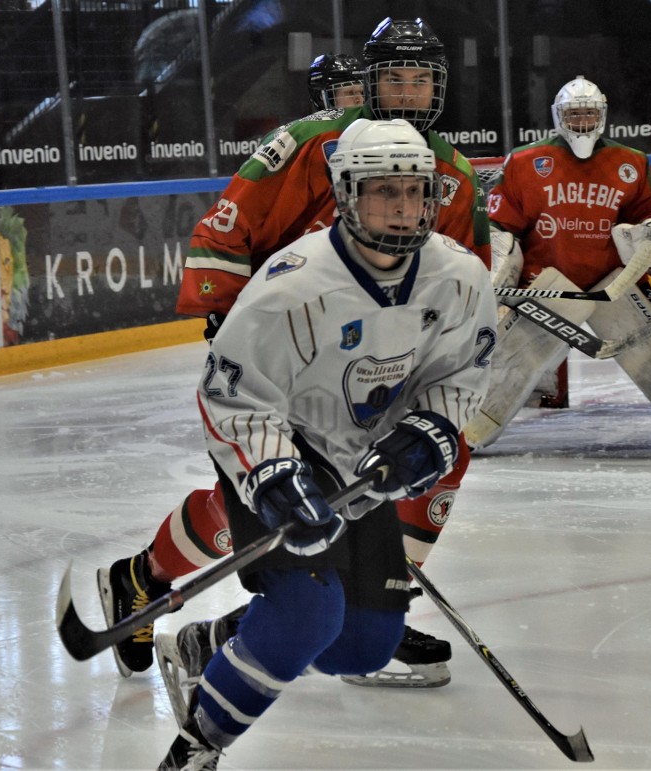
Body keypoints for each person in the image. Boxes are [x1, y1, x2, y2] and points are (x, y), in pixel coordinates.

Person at [98, 16, 491, 689]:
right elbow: (228, 227)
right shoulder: (311, 143)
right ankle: (141, 577)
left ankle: (373, 599)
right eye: (393, 75)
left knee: (418, 470)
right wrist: (230, 322)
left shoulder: (447, 170)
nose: (406, 90)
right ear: (369, 81)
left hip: (381, 362)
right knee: (270, 492)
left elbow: (456, 277)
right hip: (290, 355)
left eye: (420, 77)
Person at [157, 117, 497, 770]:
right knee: (309, 612)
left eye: (414, 191)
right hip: (276, 450)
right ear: (346, 193)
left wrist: (428, 434)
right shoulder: (291, 283)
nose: (402, 209)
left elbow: (460, 376)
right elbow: (231, 395)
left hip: (362, 458)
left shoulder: (458, 278)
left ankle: (218, 643)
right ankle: (193, 749)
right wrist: (277, 478)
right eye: (383, 192)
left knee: (366, 642)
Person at [464, 74, 651, 452]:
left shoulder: (630, 163)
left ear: (602, 116)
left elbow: (646, 218)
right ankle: (470, 430)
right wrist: (498, 277)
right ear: (559, 116)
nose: (581, 123)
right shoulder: (526, 162)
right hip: (548, 284)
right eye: (574, 115)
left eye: (588, 115)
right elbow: (502, 228)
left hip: (614, 285)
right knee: (514, 357)